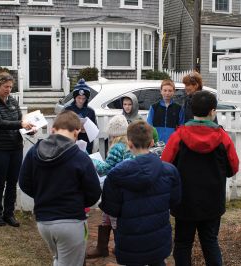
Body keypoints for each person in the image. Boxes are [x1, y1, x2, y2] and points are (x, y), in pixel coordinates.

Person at [161, 90, 239, 266]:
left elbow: (165, 165)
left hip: (184, 200)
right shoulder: (223, 138)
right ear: (213, 111)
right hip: (212, 201)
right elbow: (233, 167)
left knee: (182, 243)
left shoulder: (178, 136)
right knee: (210, 242)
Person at [19, 110, 101, 266]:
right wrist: (79, 202)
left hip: (44, 222)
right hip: (71, 221)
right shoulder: (80, 157)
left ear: (53, 130)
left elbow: (24, 182)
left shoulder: (34, 152)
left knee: (59, 259)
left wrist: (42, 195)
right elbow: (94, 192)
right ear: (77, 133)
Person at [100, 120, 181, 266]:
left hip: (130, 237)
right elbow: (174, 201)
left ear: (129, 144)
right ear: (151, 143)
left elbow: (111, 208)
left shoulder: (116, 175)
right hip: (158, 235)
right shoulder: (170, 171)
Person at [0, 72, 34, 227]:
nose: (9, 89)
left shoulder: (12, 101)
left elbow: (21, 120)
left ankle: (9, 213)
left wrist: (29, 129)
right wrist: (20, 124)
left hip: (16, 147)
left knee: (13, 182)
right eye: (6, 86)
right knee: (0, 182)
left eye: (11, 87)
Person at [87, 114, 134, 258]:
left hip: (115, 189)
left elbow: (105, 169)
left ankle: (121, 249)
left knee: (114, 219)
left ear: (114, 132)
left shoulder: (117, 147)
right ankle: (102, 248)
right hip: (123, 188)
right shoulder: (129, 145)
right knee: (106, 216)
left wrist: (92, 161)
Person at [66, 78, 98, 154]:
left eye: (83, 98)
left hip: (87, 143)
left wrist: (87, 129)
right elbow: (62, 127)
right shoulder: (68, 110)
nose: (81, 101)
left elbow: (95, 129)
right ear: (75, 97)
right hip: (71, 143)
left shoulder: (90, 111)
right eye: (79, 98)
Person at [147, 79, 184, 143]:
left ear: (174, 92)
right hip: (157, 143)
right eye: (165, 90)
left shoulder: (179, 108)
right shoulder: (154, 107)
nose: (167, 93)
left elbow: (182, 127)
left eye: (170, 91)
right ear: (161, 91)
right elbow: (149, 126)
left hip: (173, 143)